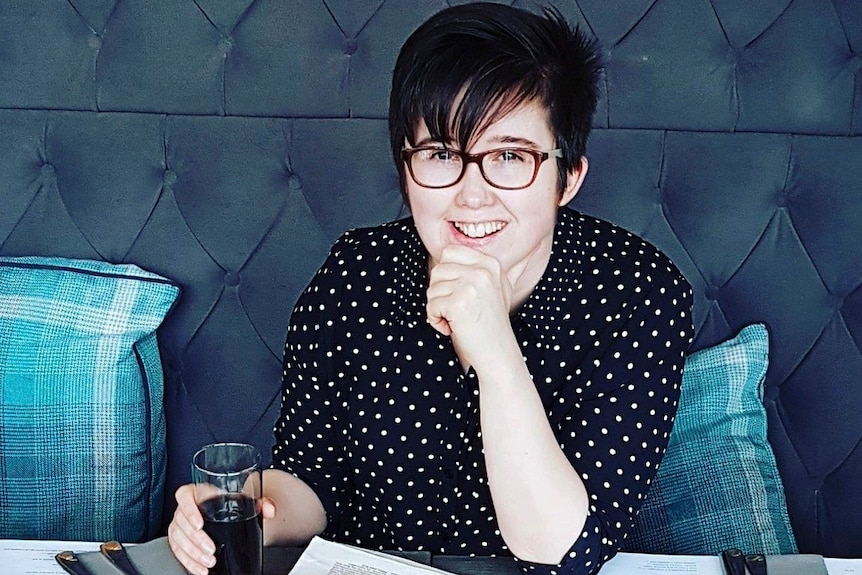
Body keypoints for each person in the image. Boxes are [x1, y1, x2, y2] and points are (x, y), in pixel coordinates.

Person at [168, 3, 693, 575]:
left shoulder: (637, 292)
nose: (472, 195)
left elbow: (565, 551)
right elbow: (314, 480)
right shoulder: (355, 274)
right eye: (442, 154)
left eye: (510, 157)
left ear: (568, 177)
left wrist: (495, 351)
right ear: (406, 168)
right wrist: (247, 509)